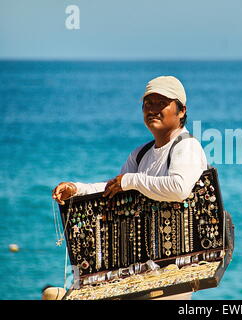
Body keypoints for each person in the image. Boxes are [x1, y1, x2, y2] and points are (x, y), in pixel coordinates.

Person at [52, 75, 208, 300]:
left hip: (174, 271)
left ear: (181, 110)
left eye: (161, 103)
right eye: (148, 103)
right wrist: (77, 189)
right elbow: (114, 187)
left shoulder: (187, 146)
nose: (152, 109)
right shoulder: (141, 153)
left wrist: (131, 181)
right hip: (141, 270)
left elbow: (179, 188)